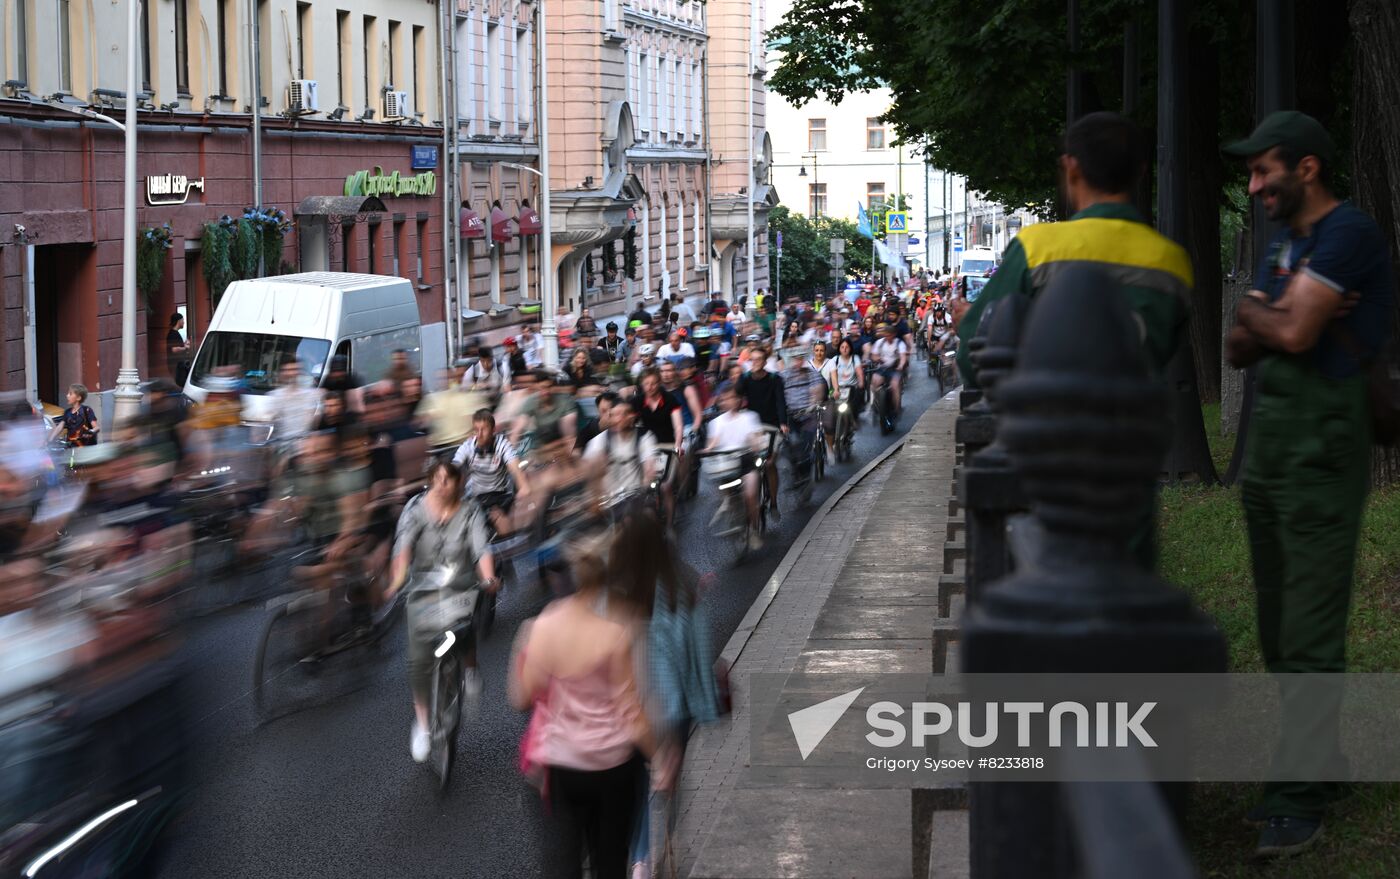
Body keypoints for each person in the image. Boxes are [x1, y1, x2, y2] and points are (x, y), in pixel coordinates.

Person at [1222, 111, 1394, 859]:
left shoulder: (1346, 235)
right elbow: (1236, 344)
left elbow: (1287, 336)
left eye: (1263, 170)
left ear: (1308, 168)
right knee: (1275, 626)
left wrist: (1274, 317)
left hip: (1323, 455)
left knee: (1311, 629)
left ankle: (1298, 799)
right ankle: (1322, 763)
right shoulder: (1287, 244)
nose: (1254, 185)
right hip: (1271, 459)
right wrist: (1271, 311)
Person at [955, 112, 1192, 387]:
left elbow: (977, 357)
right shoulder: (1173, 261)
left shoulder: (1036, 248)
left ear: (1071, 168)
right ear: (1140, 171)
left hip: (1046, 423)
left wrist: (966, 324)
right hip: (1138, 424)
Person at [508, 538, 656, 879]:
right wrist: (658, 755)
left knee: (564, 862)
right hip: (615, 765)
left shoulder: (544, 625)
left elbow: (523, 697)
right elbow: (631, 710)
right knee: (610, 860)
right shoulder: (617, 628)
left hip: (563, 764)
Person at [385, 460, 497, 763]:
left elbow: (481, 548)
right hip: (423, 591)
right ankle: (422, 725)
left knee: (464, 630)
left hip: (461, 588)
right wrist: (396, 579)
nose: (443, 485)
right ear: (430, 481)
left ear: (459, 483)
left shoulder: (471, 510)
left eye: (449, 480)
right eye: (437, 480)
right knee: (419, 659)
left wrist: (488, 578)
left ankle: (470, 671)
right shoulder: (415, 509)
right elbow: (404, 546)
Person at [701, 382, 766, 548]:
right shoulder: (716, 422)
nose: (727, 402)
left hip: (746, 461)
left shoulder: (749, 417)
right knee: (723, 491)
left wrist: (755, 443)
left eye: (731, 398)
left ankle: (753, 530)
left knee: (751, 493)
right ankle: (728, 506)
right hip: (725, 464)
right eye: (724, 399)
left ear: (739, 400)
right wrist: (708, 449)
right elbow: (712, 443)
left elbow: (755, 438)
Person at [735, 351, 785, 522]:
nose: (755, 362)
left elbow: (780, 402)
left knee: (770, 463)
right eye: (752, 359)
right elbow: (737, 397)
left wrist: (783, 423)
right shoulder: (745, 378)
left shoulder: (774, 379)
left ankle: (774, 502)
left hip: (771, 425)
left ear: (764, 362)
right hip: (752, 427)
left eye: (759, 359)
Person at [583, 395, 659, 505]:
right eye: (616, 414)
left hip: (635, 497)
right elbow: (588, 467)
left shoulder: (644, 437)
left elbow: (649, 467)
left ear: (633, 416)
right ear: (610, 417)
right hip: (607, 501)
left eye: (625, 413)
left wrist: (646, 484)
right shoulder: (600, 440)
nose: (620, 418)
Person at [869, 323, 909, 418]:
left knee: (895, 385)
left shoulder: (899, 343)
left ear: (893, 334)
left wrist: (900, 365)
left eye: (889, 335)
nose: (887, 337)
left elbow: (903, 357)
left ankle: (896, 409)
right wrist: (877, 359)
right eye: (886, 335)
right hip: (882, 368)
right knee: (874, 381)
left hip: (894, 369)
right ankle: (875, 403)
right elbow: (873, 355)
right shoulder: (880, 343)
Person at [166, 313, 190, 384]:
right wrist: (185, 348)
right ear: (179, 321)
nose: (184, 322)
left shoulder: (174, 333)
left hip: (179, 365)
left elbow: (177, 347)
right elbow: (174, 349)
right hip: (176, 366)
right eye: (183, 320)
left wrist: (184, 344)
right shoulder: (173, 334)